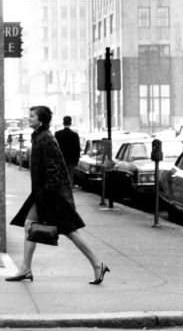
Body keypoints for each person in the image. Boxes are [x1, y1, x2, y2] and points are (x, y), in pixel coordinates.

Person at [7, 104, 108, 285]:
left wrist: (46, 195)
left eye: (32, 116)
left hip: (52, 195)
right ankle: (25, 268)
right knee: (31, 224)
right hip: (43, 193)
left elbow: (54, 170)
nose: (29, 119)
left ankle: (97, 264)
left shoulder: (46, 138)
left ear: (41, 120)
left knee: (70, 231)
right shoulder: (39, 136)